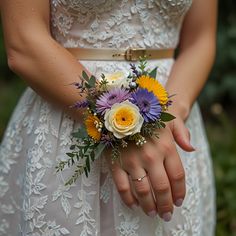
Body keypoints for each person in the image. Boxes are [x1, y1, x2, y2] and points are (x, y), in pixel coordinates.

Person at [0, 0, 217, 235]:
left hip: (171, 132)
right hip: (68, 118)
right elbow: (24, 41)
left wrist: (165, 119)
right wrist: (121, 123)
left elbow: (200, 39)